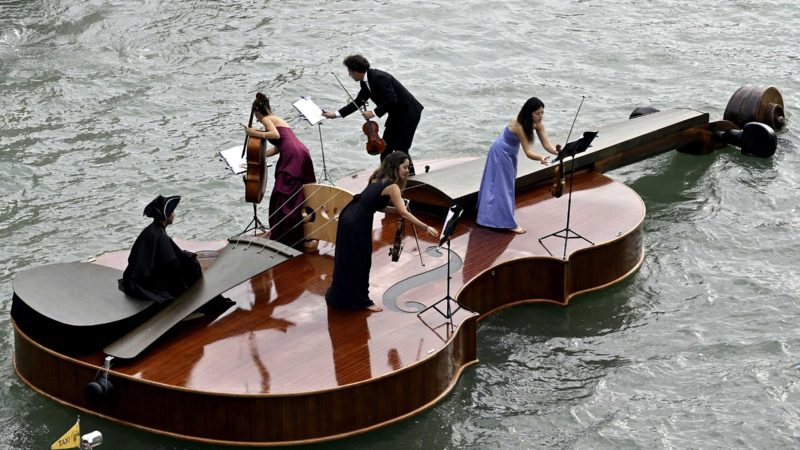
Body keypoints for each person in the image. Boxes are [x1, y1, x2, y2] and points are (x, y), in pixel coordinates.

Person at [325, 151, 438, 312]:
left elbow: (375, 204)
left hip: (348, 215)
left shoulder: (377, 178)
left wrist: (398, 210)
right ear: (395, 166)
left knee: (347, 258)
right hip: (358, 222)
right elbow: (404, 213)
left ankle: (340, 296)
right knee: (362, 261)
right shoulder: (392, 187)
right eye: (405, 167)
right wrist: (425, 227)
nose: (407, 170)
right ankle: (364, 301)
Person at [322, 54, 424, 174]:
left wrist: (374, 112)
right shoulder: (365, 82)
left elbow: (392, 100)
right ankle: (386, 178)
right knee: (385, 148)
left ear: (355, 71)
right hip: (395, 114)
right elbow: (359, 101)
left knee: (401, 148)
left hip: (409, 113)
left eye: (349, 71)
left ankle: (410, 177)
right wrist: (336, 114)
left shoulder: (380, 78)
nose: (349, 75)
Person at [243, 93, 317, 250]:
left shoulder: (266, 119)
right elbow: (279, 145)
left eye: (256, 116)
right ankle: (295, 233)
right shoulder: (278, 118)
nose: (256, 119)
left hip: (292, 155)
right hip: (301, 151)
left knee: (282, 193)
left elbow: (275, 135)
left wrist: (254, 133)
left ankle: (286, 236)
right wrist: (257, 156)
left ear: (258, 112)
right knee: (296, 193)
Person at [476, 97, 560, 234]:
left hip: (510, 152)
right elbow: (528, 152)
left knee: (502, 184)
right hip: (501, 151)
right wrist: (540, 157)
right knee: (503, 186)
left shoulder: (538, 124)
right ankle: (507, 223)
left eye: (542, 112)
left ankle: (488, 215)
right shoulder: (519, 125)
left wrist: (560, 152)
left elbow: (546, 145)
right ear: (529, 113)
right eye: (537, 113)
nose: (540, 116)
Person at [119, 195, 203, 303]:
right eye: (172, 212)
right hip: (146, 282)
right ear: (166, 216)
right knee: (192, 265)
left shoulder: (150, 230)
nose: (174, 214)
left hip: (133, 278)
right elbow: (170, 262)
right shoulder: (161, 236)